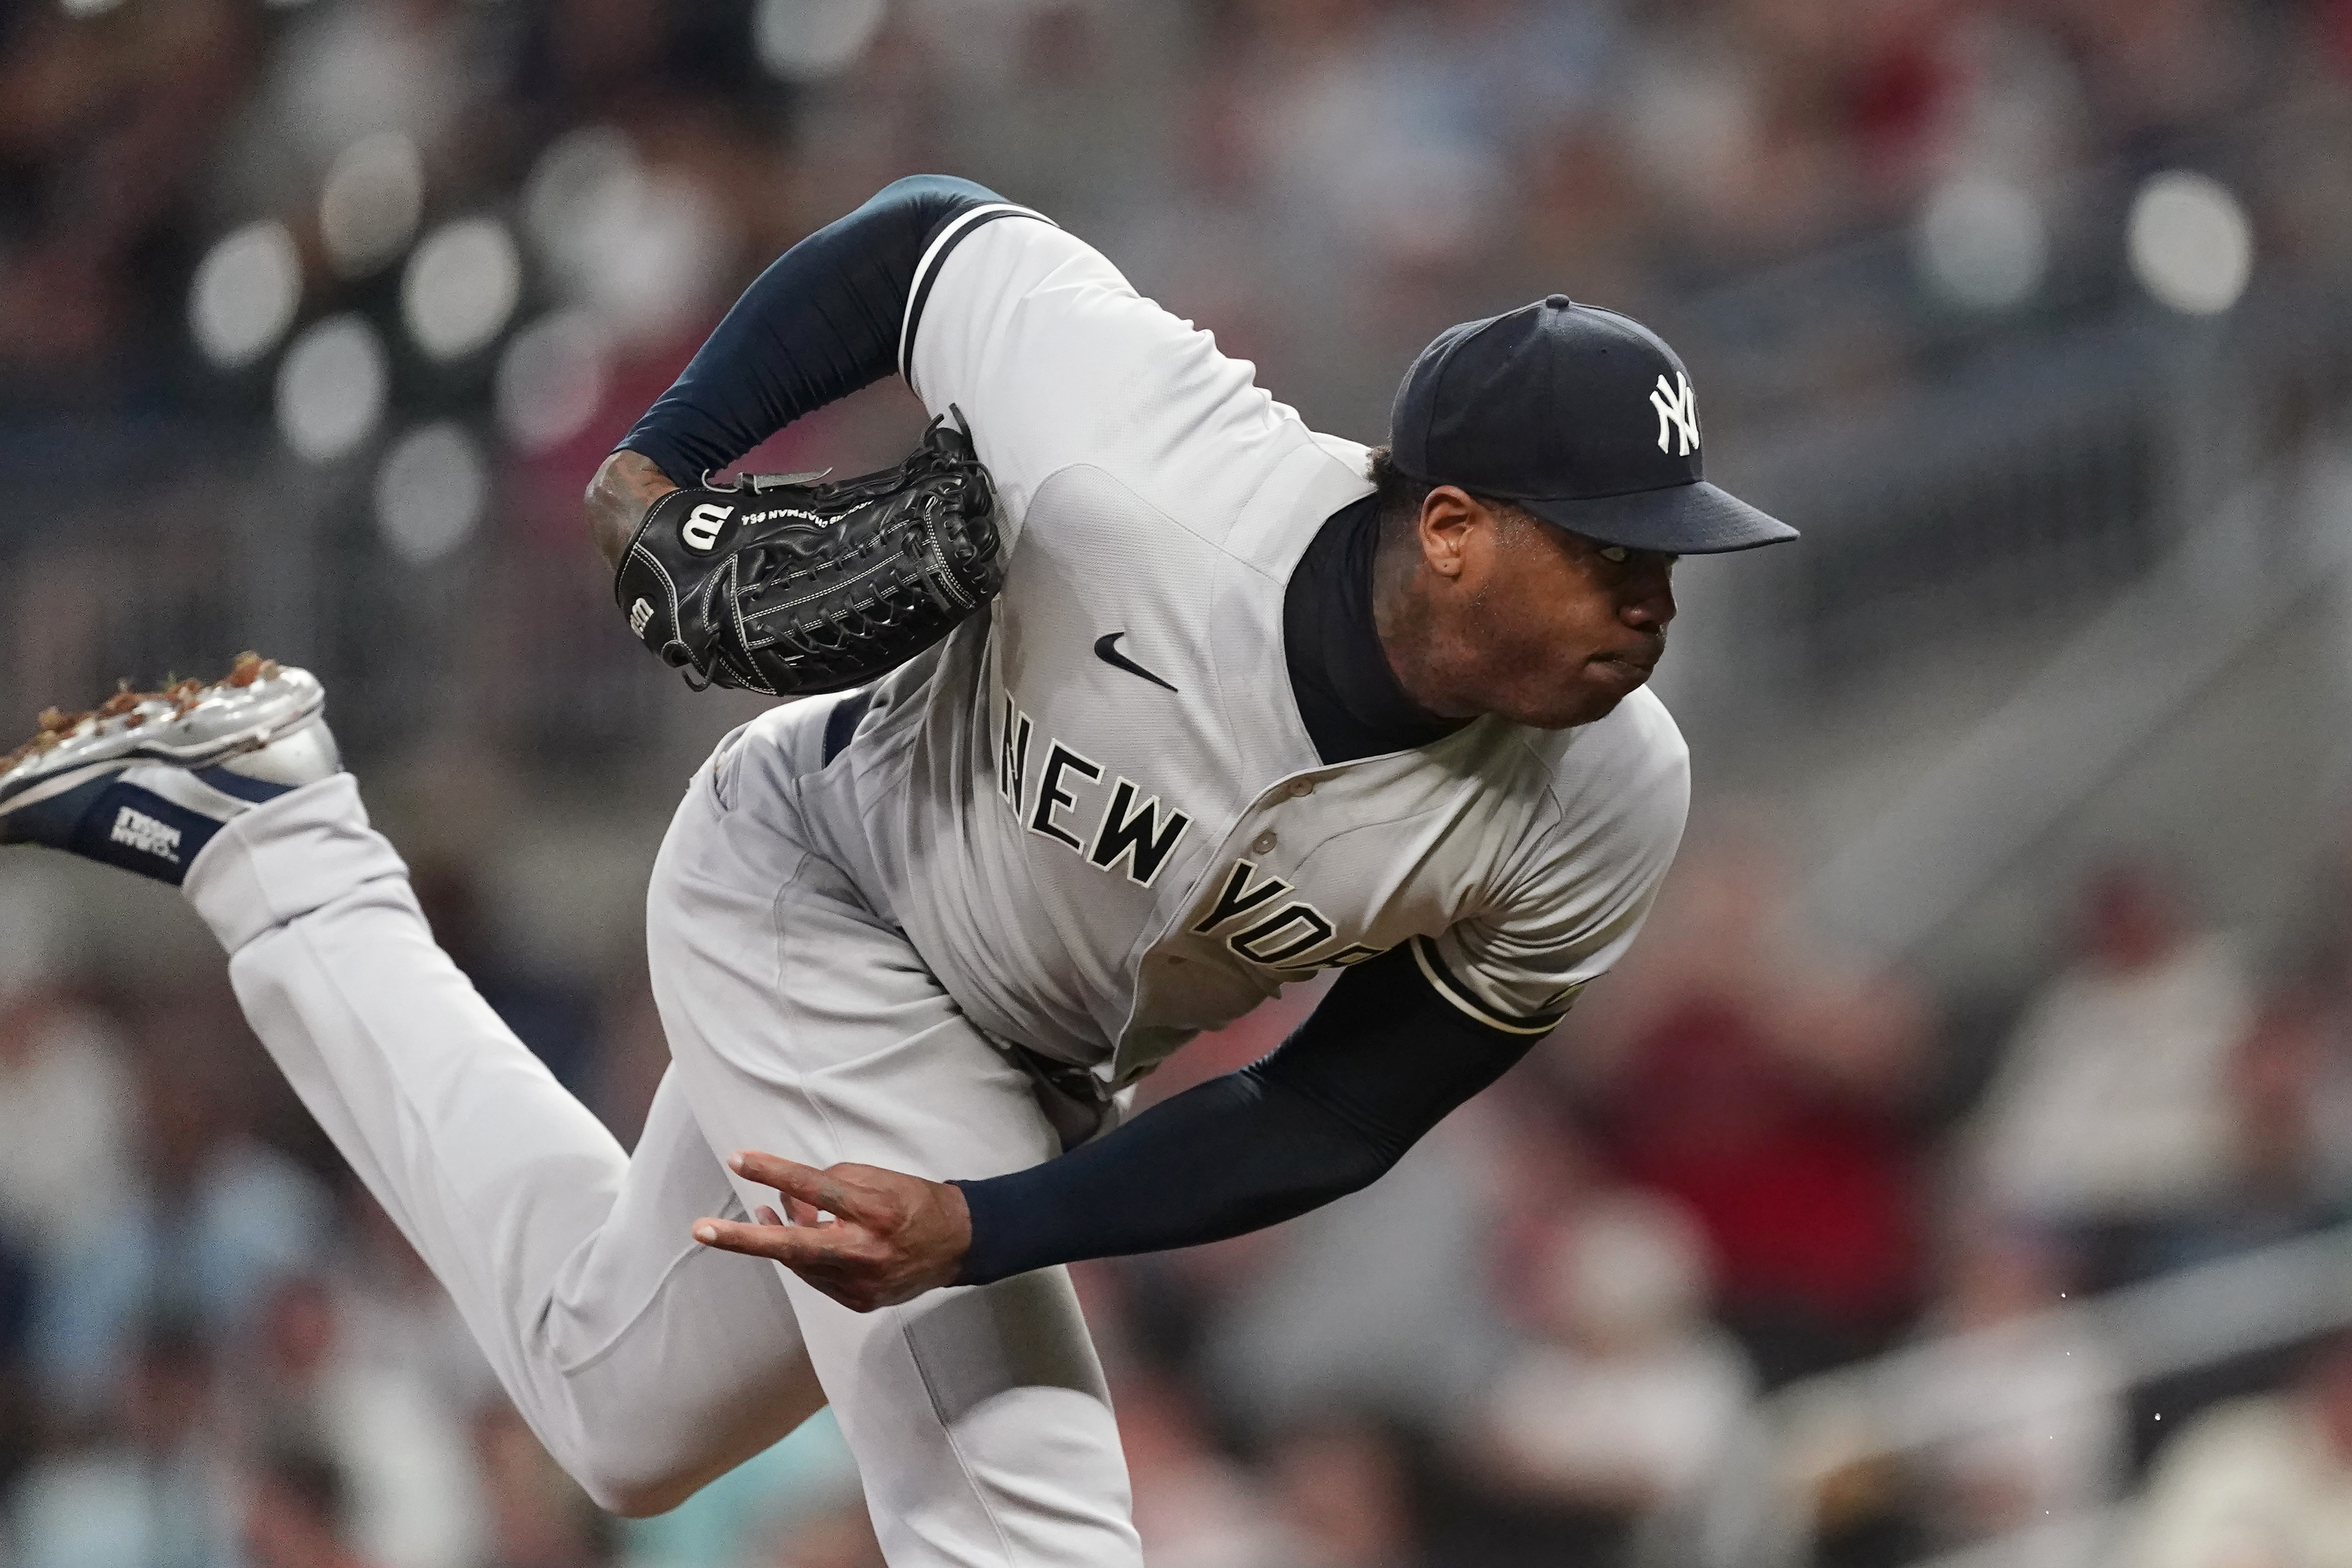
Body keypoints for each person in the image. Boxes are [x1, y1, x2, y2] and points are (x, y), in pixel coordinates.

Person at [0, 176, 1793, 1566]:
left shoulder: (1606, 798)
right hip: (816, 887)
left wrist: (990, 1224)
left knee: (617, 1400)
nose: (1656, 596)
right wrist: (658, 471)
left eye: (1672, 551)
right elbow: (929, 238)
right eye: (1615, 550)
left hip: (1029, 1064)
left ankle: (271, 843)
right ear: (1457, 531)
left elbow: (1331, 1116)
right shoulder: (1154, 464)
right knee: (1033, 1513)